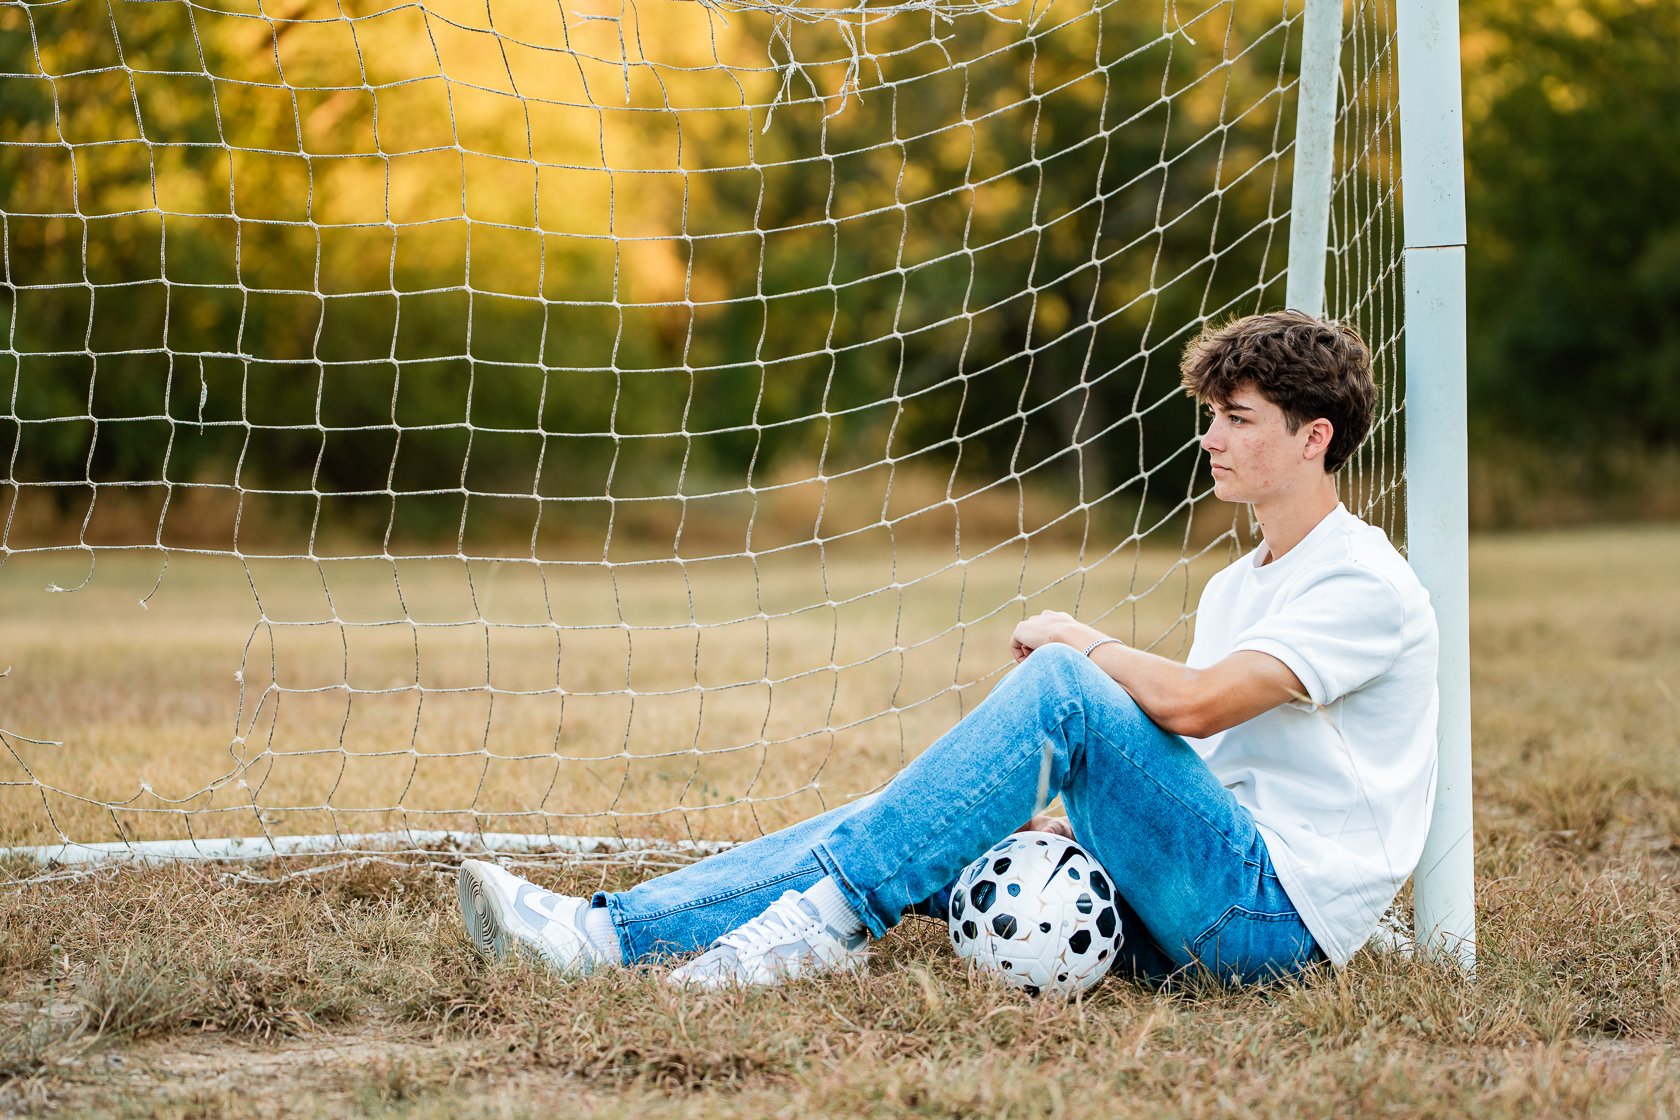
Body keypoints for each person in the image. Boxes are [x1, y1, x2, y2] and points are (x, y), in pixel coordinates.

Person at [457, 310, 1439, 989]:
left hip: (1270, 927)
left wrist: (1080, 639)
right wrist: (1080, 827)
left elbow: (1194, 710)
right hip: (1203, 888)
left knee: (1062, 683)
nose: (1210, 440)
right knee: (906, 820)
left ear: (1314, 437)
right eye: (1209, 417)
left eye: (1236, 420)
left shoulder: (1363, 581)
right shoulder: (1240, 583)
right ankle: (598, 935)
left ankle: (823, 925)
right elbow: (1216, 769)